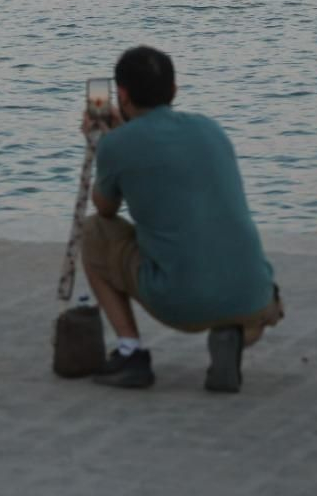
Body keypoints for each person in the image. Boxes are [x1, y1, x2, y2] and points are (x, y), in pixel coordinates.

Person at [80, 46, 284, 393]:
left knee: (94, 232)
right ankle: (233, 334)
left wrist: (103, 146)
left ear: (122, 94)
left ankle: (130, 353)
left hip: (182, 303)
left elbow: (104, 209)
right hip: (254, 297)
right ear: (174, 90)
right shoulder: (211, 129)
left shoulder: (117, 145)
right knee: (240, 297)